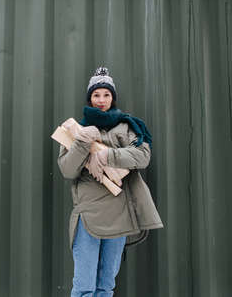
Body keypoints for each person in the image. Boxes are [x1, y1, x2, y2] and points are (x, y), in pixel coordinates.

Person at [57, 67, 164, 297]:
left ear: (113, 97)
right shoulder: (75, 131)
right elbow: (67, 169)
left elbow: (143, 156)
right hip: (88, 215)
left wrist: (107, 156)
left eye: (106, 94)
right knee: (84, 288)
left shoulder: (127, 127)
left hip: (119, 213)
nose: (101, 100)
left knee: (106, 287)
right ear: (90, 98)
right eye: (96, 95)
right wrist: (83, 142)